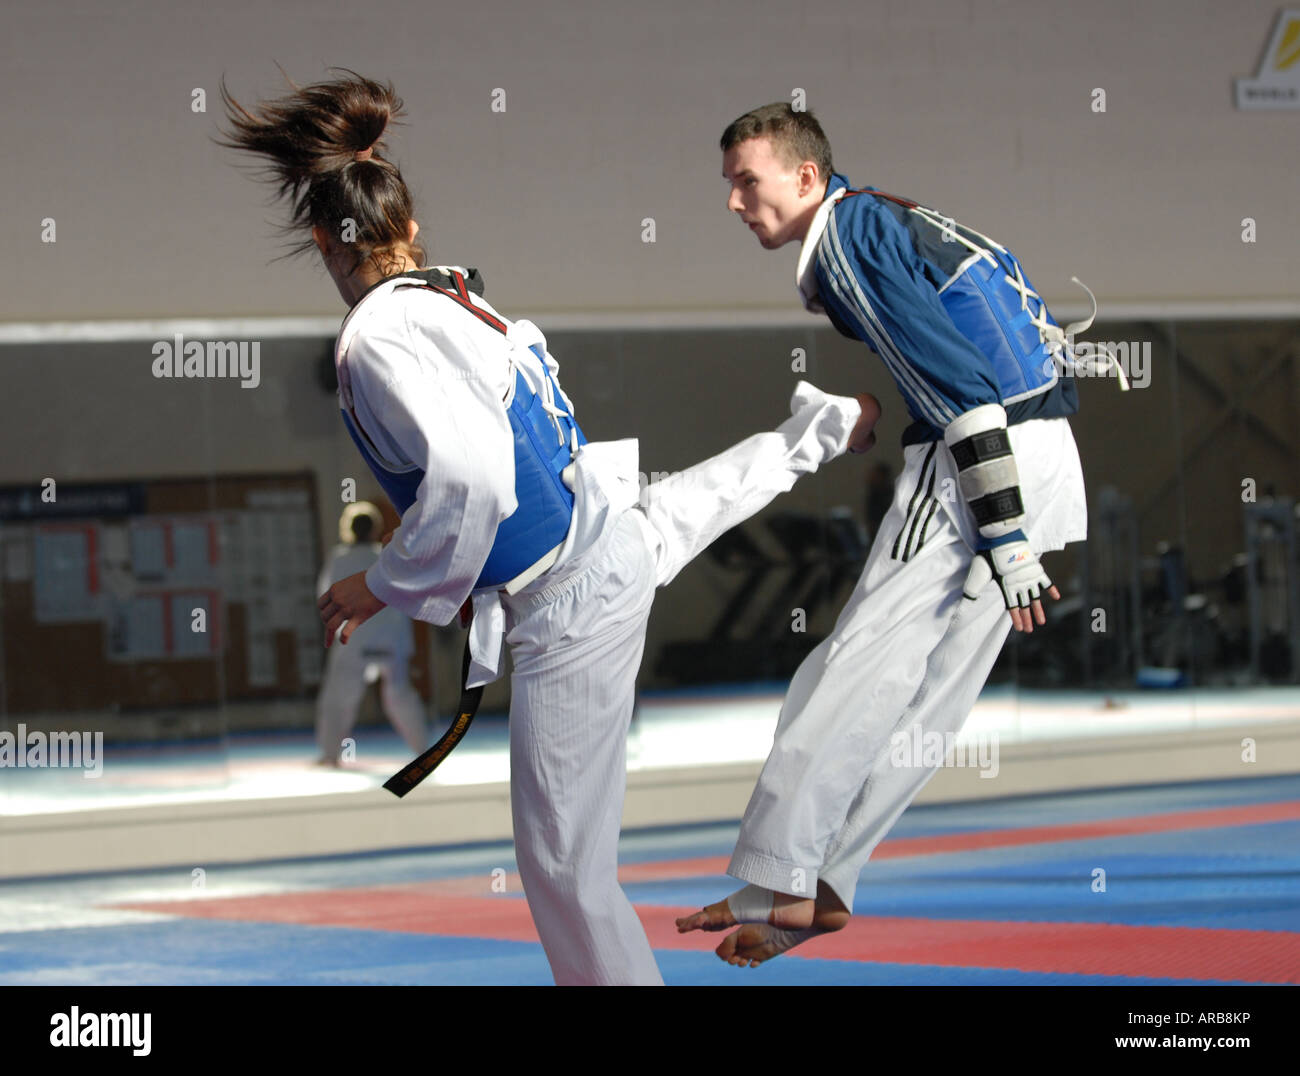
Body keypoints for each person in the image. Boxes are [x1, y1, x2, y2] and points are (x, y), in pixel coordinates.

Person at [217, 71, 881, 985]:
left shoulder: (374, 337)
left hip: (569, 602)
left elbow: (475, 480)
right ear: (407, 226)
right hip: (607, 524)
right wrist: (448, 584)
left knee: (564, 870)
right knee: (709, 494)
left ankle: (818, 432)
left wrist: (384, 583)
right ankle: (823, 428)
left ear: (329, 241)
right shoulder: (456, 297)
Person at [678, 102, 1105, 967]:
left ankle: (782, 878)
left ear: (806, 177)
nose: (732, 201)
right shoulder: (896, 217)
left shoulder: (846, 243)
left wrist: (1005, 533)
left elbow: (960, 389)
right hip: (1049, 450)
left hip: (976, 469)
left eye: (744, 181)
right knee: (932, 696)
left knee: (847, 669)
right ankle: (831, 880)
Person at [314, 502, 427, 766]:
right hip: (391, 640)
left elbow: (325, 596)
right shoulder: (388, 556)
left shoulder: (339, 558)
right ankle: (424, 750)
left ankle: (331, 755)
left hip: (354, 641)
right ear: (376, 528)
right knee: (399, 696)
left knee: (339, 700)